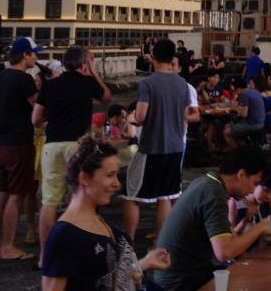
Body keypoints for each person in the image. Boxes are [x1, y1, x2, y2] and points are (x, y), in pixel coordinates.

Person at [41, 136, 171, 290]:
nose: (116, 184)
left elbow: (107, 276)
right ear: (84, 178)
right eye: (110, 175)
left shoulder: (95, 219)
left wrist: (145, 263)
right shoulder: (64, 237)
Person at [154, 147, 271, 291]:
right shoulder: (214, 194)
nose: (253, 189)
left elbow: (230, 240)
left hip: (185, 276)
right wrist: (260, 227)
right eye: (255, 183)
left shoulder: (209, 183)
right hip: (180, 284)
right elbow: (225, 253)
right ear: (241, 175)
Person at [32, 45, 111, 265]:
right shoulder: (86, 82)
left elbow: (35, 119)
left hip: (52, 145)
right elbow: (106, 96)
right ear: (83, 63)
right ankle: (74, 251)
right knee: (78, 199)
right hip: (77, 145)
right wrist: (93, 71)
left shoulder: (51, 85)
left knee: (49, 201)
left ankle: (45, 256)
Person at [123, 38, 190, 241]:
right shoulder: (182, 84)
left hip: (152, 147)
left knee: (132, 196)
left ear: (152, 57)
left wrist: (131, 118)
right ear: (172, 58)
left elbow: (141, 116)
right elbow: (185, 115)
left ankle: (128, 245)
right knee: (165, 197)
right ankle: (161, 246)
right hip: (176, 147)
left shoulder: (147, 83)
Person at [0, 37, 41, 261]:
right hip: (19, 142)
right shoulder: (24, 79)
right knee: (16, 196)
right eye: (34, 54)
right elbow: (39, 109)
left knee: (1, 193)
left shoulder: (0, 77)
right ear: (25, 55)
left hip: (1, 141)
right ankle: (8, 247)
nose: (37, 58)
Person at [227, 161, 271, 235]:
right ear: (255, 183)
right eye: (266, 190)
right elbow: (230, 237)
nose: (269, 196)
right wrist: (245, 220)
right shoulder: (236, 202)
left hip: (262, 245)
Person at [223, 77, 265, 149]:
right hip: (261, 123)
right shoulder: (255, 91)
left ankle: (237, 155)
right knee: (231, 127)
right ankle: (243, 149)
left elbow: (244, 115)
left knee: (226, 132)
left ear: (239, 89)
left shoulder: (245, 94)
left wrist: (235, 109)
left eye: (235, 91)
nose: (235, 93)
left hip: (252, 125)